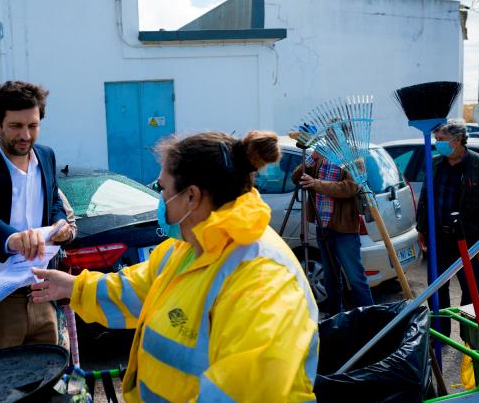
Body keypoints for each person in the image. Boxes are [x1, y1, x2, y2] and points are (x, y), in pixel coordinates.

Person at [31, 131, 319, 402]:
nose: (159, 198)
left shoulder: (263, 278)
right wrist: (72, 287)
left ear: (191, 197)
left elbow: (245, 390)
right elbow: (136, 289)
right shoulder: (188, 248)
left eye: (163, 188)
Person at [0, 80, 73, 355]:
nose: (26, 135)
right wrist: (12, 238)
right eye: (16, 126)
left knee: (47, 383)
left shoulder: (46, 156)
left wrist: (60, 223)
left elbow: (53, 200)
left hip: (42, 292)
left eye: (32, 126)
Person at [416, 119, 479, 338]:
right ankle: (441, 334)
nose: (438, 144)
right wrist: (421, 229)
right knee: (436, 290)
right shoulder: (435, 164)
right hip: (439, 238)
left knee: (471, 292)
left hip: (472, 242)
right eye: (436, 140)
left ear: (457, 141)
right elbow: (425, 200)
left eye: (442, 140)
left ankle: (469, 338)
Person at [292, 150, 373, 316]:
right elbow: (296, 178)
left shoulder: (354, 157)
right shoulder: (320, 158)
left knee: (355, 278)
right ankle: (335, 317)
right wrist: (311, 159)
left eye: (331, 134)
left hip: (344, 229)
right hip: (323, 226)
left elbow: (349, 188)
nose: (327, 139)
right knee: (331, 279)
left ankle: (372, 318)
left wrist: (316, 183)